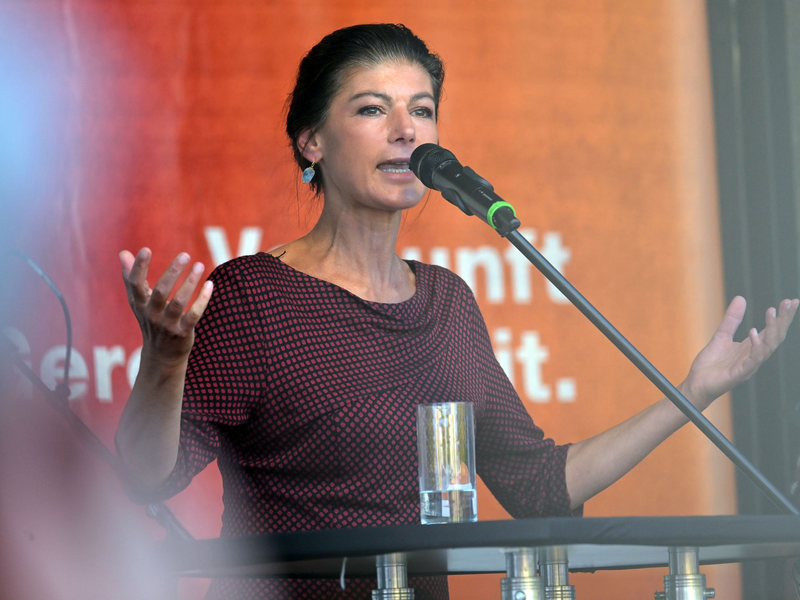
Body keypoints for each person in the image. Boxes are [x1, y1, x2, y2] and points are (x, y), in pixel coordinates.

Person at [114, 23, 799, 600]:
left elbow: (539, 487)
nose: (407, 130)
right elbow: (149, 476)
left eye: (422, 109)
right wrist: (166, 362)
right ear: (311, 141)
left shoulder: (446, 302)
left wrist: (693, 393)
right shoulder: (253, 297)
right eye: (372, 109)